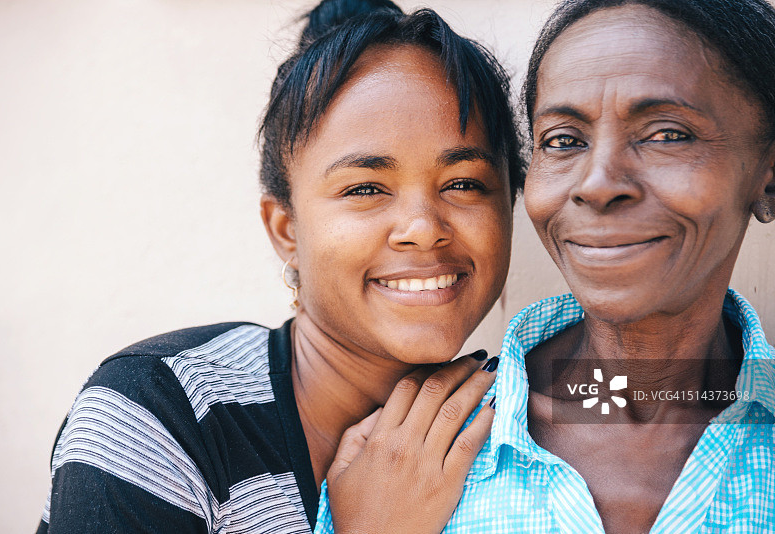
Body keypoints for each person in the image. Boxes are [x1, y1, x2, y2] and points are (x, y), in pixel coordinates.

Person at [36, 0, 525, 533]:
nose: (423, 227)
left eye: (463, 183)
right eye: (365, 188)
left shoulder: (526, 427)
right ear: (286, 228)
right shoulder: (161, 413)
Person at [314, 0, 775, 532]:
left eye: (667, 134)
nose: (597, 183)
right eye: (563, 140)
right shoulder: (404, 462)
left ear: (767, 174)